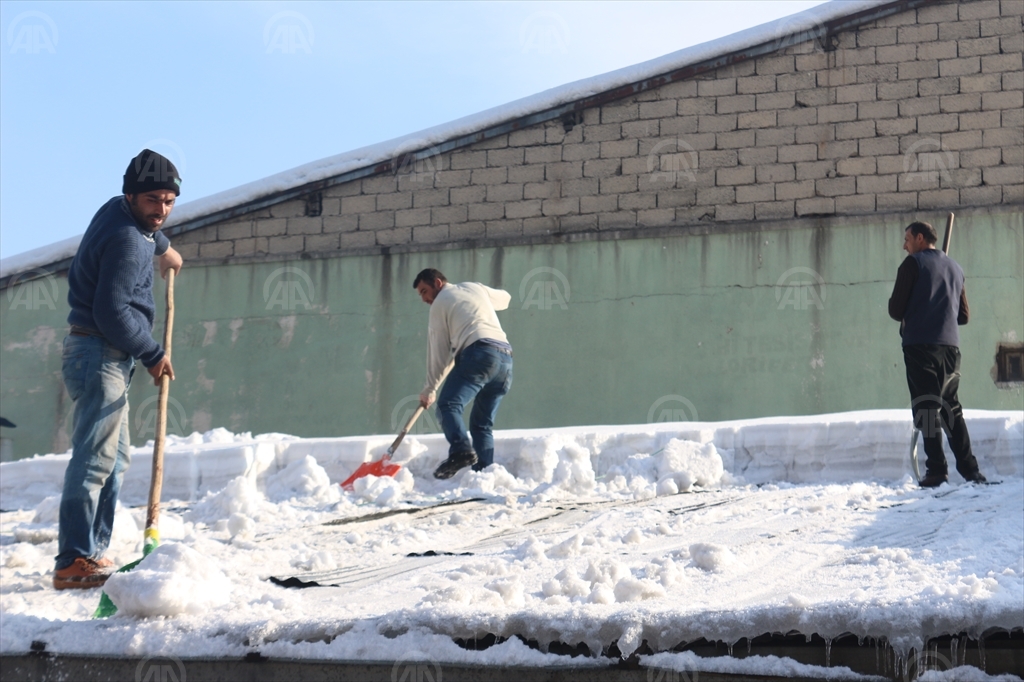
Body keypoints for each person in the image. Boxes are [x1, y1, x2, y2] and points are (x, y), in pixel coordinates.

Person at [54, 149, 184, 589]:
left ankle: (93, 552)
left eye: (168, 201)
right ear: (131, 196)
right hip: (101, 353)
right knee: (94, 460)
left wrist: (165, 249)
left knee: (116, 458)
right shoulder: (128, 242)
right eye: (153, 201)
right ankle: (73, 558)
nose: (161, 211)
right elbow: (111, 311)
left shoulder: (120, 214)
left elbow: (149, 233)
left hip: (100, 353)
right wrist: (152, 353)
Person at [888, 221, 985, 488]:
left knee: (928, 408)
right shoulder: (956, 268)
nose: (904, 245)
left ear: (920, 238)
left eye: (907, 239)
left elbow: (896, 310)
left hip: (920, 345)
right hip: (950, 348)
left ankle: (936, 470)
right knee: (951, 408)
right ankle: (970, 470)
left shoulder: (912, 265)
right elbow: (963, 316)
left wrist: (917, 307)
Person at [414, 268, 513, 479]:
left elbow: (438, 351)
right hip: (505, 360)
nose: (424, 299)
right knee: (482, 424)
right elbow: (505, 298)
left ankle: (461, 450)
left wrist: (430, 388)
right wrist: (483, 300)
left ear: (438, 283)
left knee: (448, 405)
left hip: (479, 353)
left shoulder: (440, 303)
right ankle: (484, 475)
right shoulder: (474, 287)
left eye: (424, 291)